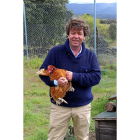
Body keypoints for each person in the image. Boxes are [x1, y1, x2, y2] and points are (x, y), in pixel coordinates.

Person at [39, 17, 101, 140]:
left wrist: (74, 76)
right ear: (68, 34)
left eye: (80, 33)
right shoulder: (55, 52)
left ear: (84, 36)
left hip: (82, 106)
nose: (76, 36)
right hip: (59, 105)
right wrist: (56, 82)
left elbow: (96, 77)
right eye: (73, 33)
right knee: (54, 138)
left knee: (82, 138)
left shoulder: (90, 55)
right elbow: (43, 72)